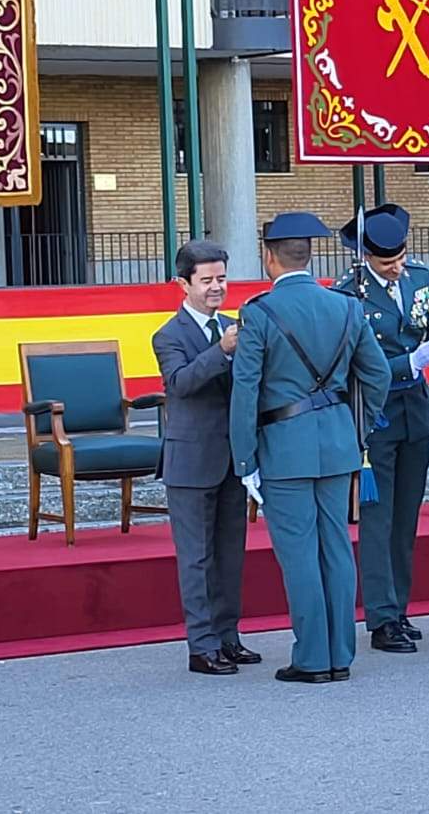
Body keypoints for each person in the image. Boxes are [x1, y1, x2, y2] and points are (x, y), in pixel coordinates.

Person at [230, 212, 390, 684]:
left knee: (299, 553)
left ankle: (313, 658)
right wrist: (355, 428)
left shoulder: (259, 312)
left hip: (284, 446)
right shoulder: (346, 306)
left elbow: (246, 389)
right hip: (338, 442)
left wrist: (244, 459)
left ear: (269, 257)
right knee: (336, 549)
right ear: (309, 255)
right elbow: (376, 375)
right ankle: (340, 654)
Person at [330, 203, 429, 655]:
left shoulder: (420, 278)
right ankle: (380, 616)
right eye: (385, 262)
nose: (395, 269)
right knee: (378, 519)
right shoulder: (348, 293)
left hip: (415, 411)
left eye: (399, 258)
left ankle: (399, 607)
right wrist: (407, 364)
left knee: (406, 519)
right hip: (376, 415)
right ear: (365, 256)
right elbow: (354, 362)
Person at [152, 240, 258, 677]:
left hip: (234, 459)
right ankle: (201, 646)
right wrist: (223, 351)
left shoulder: (236, 326)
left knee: (231, 553)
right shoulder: (168, 335)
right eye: (207, 280)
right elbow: (180, 383)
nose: (217, 287)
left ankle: (228, 637)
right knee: (196, 558)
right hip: (191, 462)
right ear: (183, 284)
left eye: (222, 278)